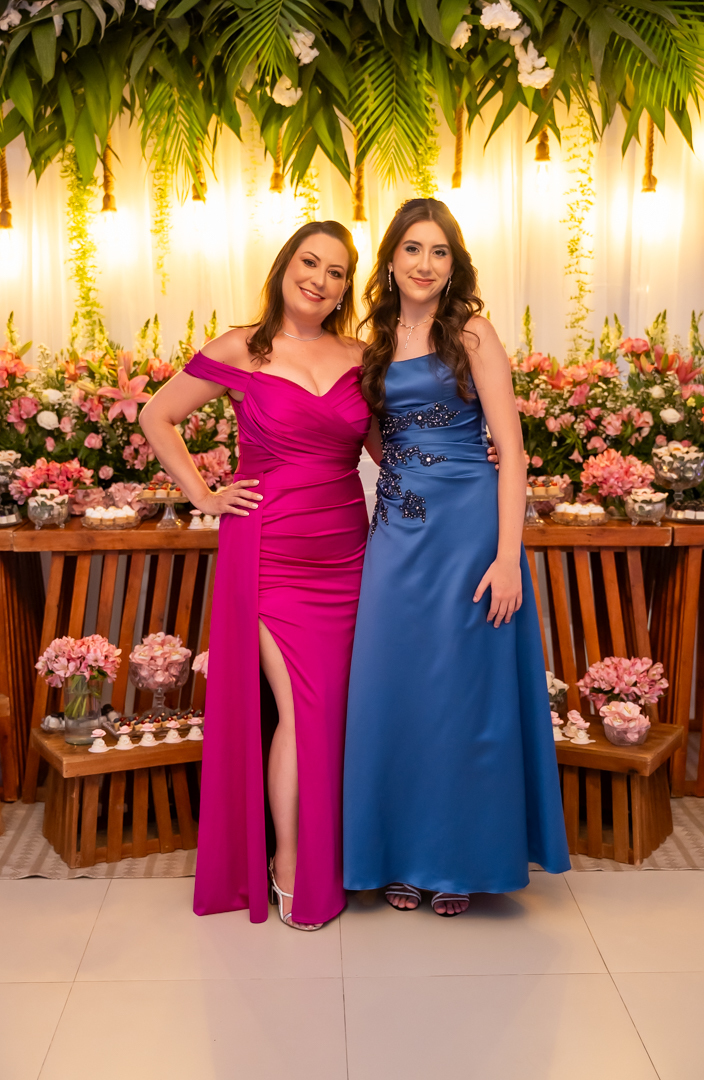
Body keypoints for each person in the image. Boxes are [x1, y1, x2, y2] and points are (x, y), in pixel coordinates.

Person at [140, 221, 372, 930]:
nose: (320, 280)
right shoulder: (241, 348)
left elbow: (392, 452)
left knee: (337, 709)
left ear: (346, 288)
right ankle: (289, 862)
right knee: (300, 708)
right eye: (310, 262)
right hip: (270, 552)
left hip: (348, 553)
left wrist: (468, 466)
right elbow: (157, 416)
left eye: (336, 271)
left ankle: (341, 850)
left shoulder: (363, 356)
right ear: (284, 266)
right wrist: (204, 495)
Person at [342, 199, 570, 917]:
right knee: (394, 690)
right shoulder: (372, 342)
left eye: (439, 251)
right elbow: (375, 438)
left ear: (454, 264)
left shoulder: (471, 332)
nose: (425, 263)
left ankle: (458, 861)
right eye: (413, 248)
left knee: (462, 697)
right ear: (391, 259)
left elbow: (513, 452)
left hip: (471, 533)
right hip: (397, 532)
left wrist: (507, 558)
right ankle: (398, 854)